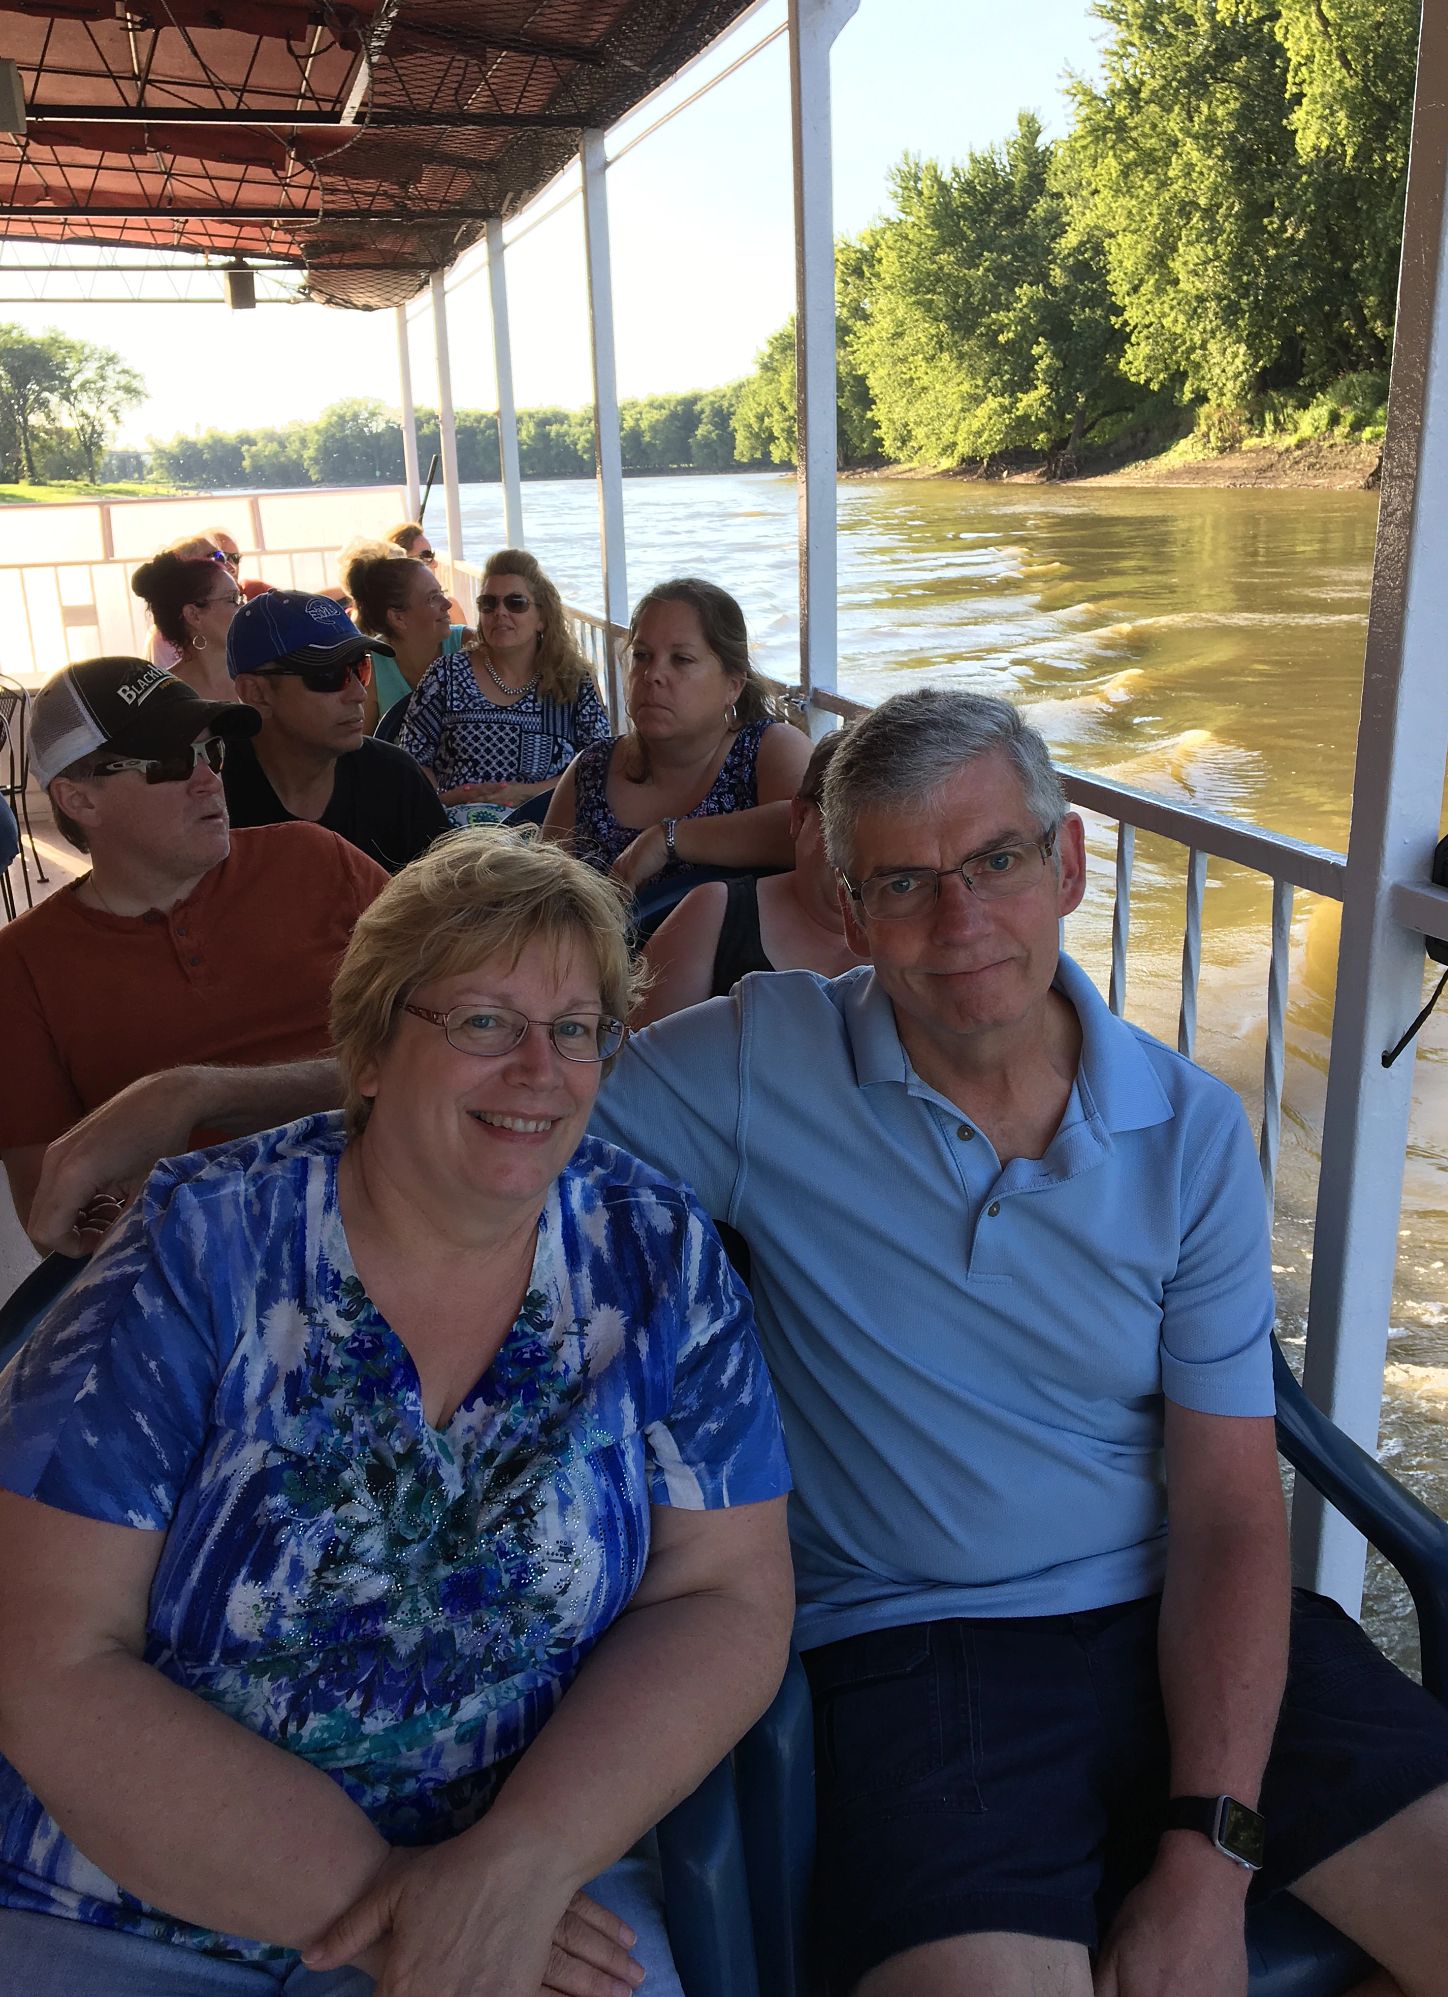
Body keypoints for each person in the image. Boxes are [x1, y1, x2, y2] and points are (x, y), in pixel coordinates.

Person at [55, 690, 1448, 1997]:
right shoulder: (753, 1066)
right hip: (923, 1654)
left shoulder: (1193, 1128)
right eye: (902, 880)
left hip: (1193, 1627)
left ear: (1070, 864)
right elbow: (491, 1076)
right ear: (845, 908)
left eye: (998, 862)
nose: (959, 918)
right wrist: (194, 1096)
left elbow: (1225, 1507)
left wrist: (1207, 1853)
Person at [0, 831, 794, 1997]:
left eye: (576, 1028)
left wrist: (513, 1868)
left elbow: (725, 1593)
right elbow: (48, 1654)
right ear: (368, 1048)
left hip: (531, 1884)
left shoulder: (652, 1254)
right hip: (128, 1900)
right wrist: (405, 1910)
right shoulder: (199, 1247)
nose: (540, 1068)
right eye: (482, 1021)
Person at [0, 656, 385, 1234]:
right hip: (215, 1260)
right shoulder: (22, 967)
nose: (208, 778)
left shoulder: (316, 859)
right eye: (172, 762)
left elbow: (456, 1044)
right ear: (80, 800)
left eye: (212, 753)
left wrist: (198, 1096)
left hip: (400, 1199)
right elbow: (53, 1217)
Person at [542, 577, 809, 890]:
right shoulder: (591, 769)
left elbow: (818, 835)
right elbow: (541, 895)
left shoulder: (767, 749)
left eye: (681, 659)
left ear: (733, 685)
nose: (652, 675)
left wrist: (669, 839)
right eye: (641, 655)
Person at [635, 729, 865, 1026]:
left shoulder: (928, 931)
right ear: (800, 817)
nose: (868, 855)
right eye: (846, 826)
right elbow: (638, 1062)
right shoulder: (711, 916)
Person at [223, 591, 448, 874]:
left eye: (361, 668)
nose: (357, 692)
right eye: (328, 675)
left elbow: (447, 901)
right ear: (255, 692)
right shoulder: (207, 791)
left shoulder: (394, 777)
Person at [400, 550, 611, 826]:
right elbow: (409, 761)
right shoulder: (446, 675)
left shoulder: (572, 681)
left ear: (542, 618)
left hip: (546, 832)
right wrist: (449, 797)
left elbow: (598, 767)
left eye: (516, 603)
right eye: (489, 603)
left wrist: (525, 794)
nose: (500, 612)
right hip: (455, 834)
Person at [344, 546, 468, 738]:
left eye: (442, 592)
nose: (448, 604)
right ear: (398, 618)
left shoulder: (469, 644)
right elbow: (360, 746)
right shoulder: (370, 667)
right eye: (433, 598)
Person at [131, 548, 242, 701]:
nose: (244, 607)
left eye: (242, 598)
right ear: (194, 615)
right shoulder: (164, 696)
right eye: (233, 599)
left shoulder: (263, 678)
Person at [387, 517, 466, 623]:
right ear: (402, 562)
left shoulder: (450, 608)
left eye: (431, 555)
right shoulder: (449, 608)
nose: (435, 563)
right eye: (426, 555)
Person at [207, 525, 272, 600]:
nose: (232, 567)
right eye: (220, 557)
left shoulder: (256, 592)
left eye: (235, 557)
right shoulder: (193, 605)